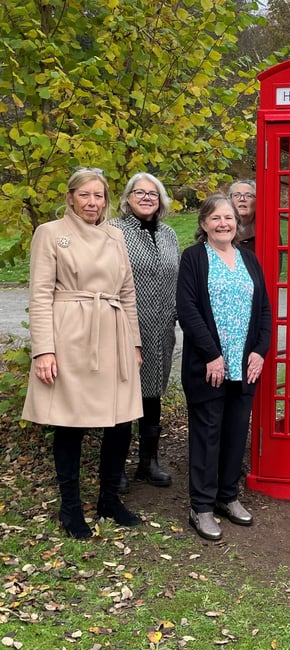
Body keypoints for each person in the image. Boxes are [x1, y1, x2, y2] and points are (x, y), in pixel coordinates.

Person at [22, 168, 143, 539]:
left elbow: (127, 291)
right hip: (71, 333)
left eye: (99, 196)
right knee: (70, 421)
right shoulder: (51, 233)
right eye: (85, 195)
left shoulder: (115, 235)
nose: (93, 202)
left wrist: (135, 342)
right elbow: (40, 294)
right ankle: (70, 507)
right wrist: (43, 350)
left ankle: (108, 498)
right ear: (71, 197)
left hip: (114, 332)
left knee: (122, 420)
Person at [177, 193, 271, 541]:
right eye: (215, 218)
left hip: (244, 365)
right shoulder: (194, 259)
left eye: (229, 218)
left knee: (234, 434)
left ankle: (226, 497)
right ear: (204, 224)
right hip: (209, 365)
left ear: (237, 223)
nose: (223, 223)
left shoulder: (249, 259)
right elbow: (187, 310)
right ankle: (200, 506)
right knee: (207, 434)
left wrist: (260, 351)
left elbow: (264, 310)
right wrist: (212, 354)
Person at [111, 173, 180, 490]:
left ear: (161, 200)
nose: (147, 197)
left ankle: (148, 463)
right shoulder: (113, 230)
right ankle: (117, 468)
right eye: (139, 192)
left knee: (153, 395)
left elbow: (177, 279)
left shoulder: (168, 234)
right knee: (123, 397)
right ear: (127, 198)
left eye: (153, 193)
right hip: (125, 326)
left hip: (162, 327)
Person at [229, 179, 257, 252]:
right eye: (236, 195)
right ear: (230, 200)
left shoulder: (267, 230)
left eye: (248, 196)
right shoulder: (221, 227)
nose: (242, 199)